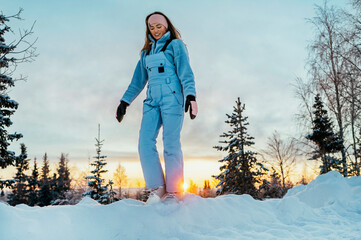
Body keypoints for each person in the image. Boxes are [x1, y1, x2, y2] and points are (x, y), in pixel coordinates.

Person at [116, 11, 197, 203]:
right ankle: (157, 187)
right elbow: (137, 81)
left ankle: (175, 190)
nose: (155, 31)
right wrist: (124, 101)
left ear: (166, 26)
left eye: (158, 26)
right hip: (152, 101)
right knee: (145, 143)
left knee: (170, 143)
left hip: (173, 98)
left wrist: (191, 95)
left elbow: (186, 71)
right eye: (151, 28)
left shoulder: (175, 45)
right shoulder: (145, 53)